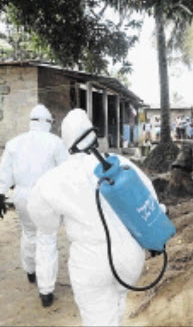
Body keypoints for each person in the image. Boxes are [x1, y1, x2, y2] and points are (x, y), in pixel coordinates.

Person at [27, 109, 160, 326]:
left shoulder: (56, 178)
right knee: (117, 302)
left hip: (90, 261)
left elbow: (42, 219)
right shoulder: (119, 162)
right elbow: (150, 200)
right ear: (92, 134)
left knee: (97, 316)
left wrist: (56, 222)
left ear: (66, 140)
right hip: (130, 256)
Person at [0, 104, 69, 307]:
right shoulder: (56, 143)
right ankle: (45, 291)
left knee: (28, 233)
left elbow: (4, 172)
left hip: (22, 196)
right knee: (46, 239)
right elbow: (66, 172)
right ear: (49, 123)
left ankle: (30, 272)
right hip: (46, 197)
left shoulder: (14, 143)